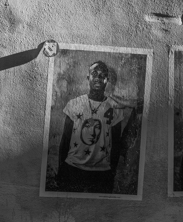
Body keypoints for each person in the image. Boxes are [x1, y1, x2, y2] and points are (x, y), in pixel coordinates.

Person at [56, 61, 140, 194]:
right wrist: (61, 168)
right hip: (72, 168)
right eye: (94, 74)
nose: (98, 78)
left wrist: (112, 171)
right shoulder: (74, 104)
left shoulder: (114, 107)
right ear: (88, 77)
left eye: (102, 75)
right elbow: (65, 140)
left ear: (107, 80)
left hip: (101, 172)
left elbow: (116, 144)